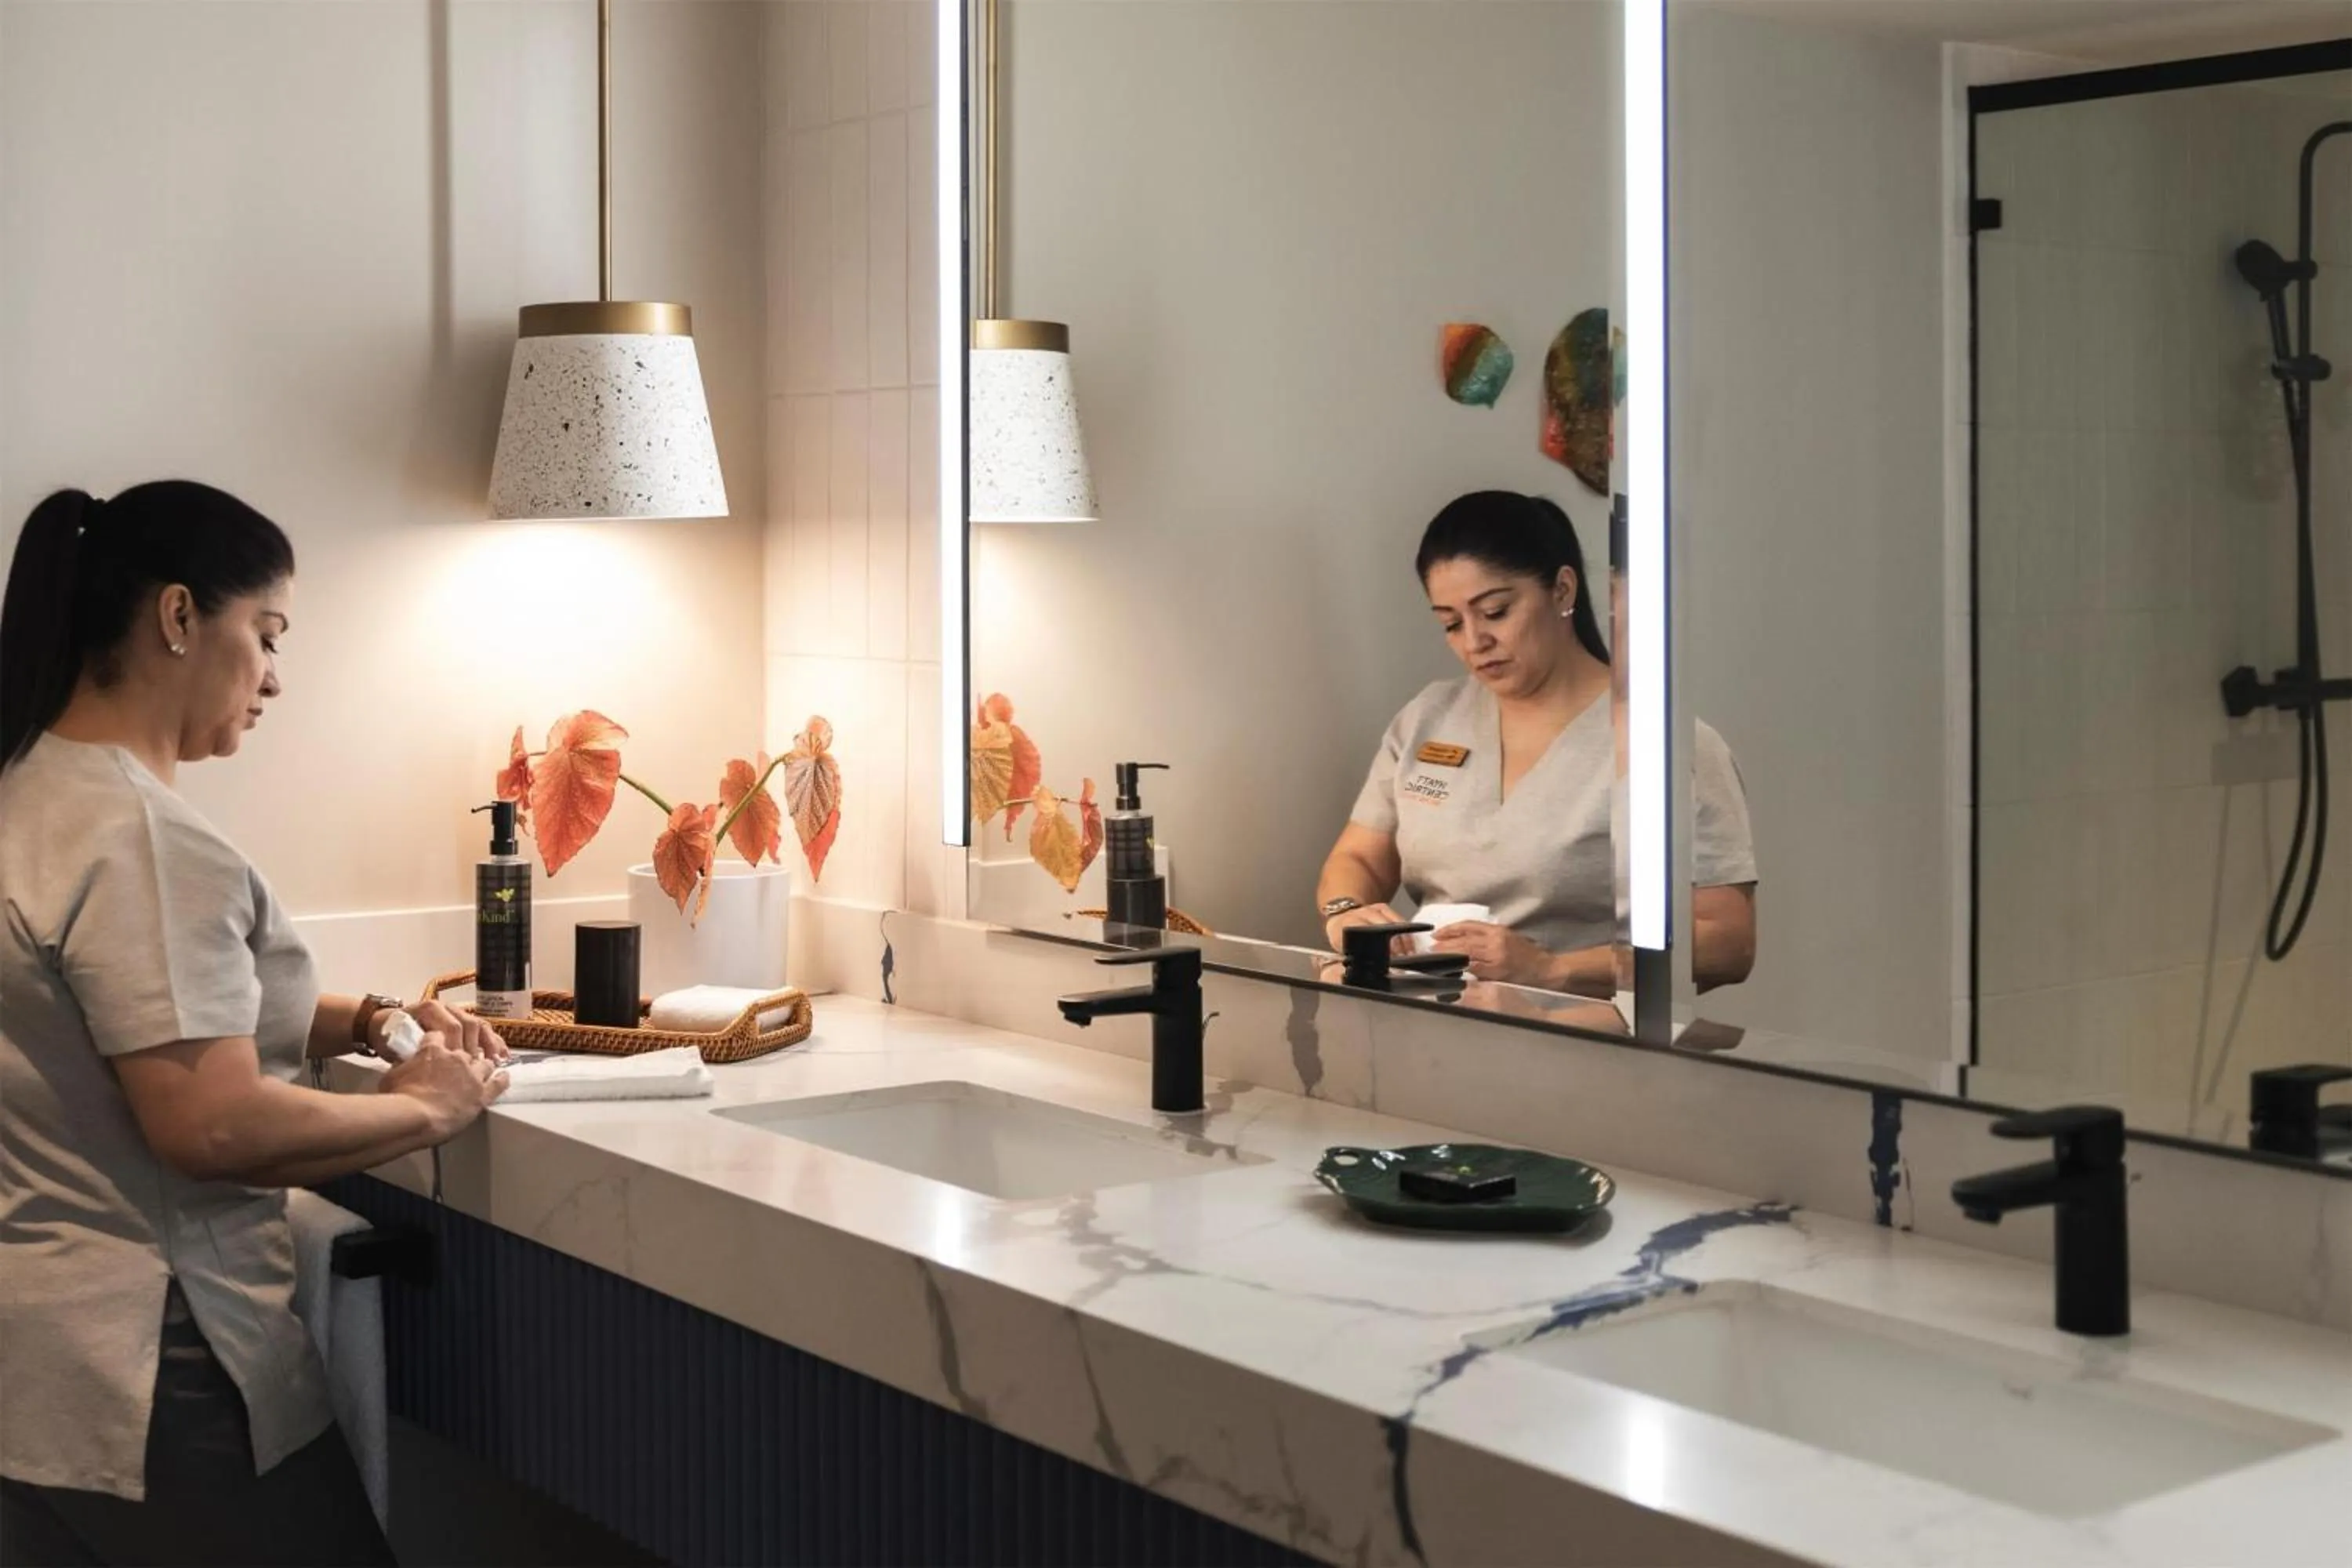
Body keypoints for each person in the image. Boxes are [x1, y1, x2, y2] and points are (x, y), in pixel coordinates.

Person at [0, 483, 510, 1566]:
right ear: (179, 618)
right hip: (160, 1368)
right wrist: (427, 1106)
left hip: (36, 1370)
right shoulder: (142, 841)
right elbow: (212, 1127)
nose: (275, 676)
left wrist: (361, 1019)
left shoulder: (32, 795)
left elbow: (117, 1021)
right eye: (265, 635)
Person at [1314, 490, 1757, 996]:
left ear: (1563, 590)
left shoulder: (1669, 744)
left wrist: (1553, 969)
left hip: (1586, 1041)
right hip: (1435, 1026)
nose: (1474, 641)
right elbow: (1360, 859)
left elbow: (1728, 942)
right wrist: (1345, 914)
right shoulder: (1430, 718)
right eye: (1452, 624)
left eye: (1496, 612)